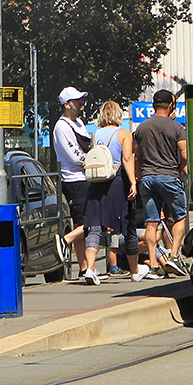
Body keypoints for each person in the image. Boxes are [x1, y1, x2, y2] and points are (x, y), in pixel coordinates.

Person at [81, 101, 145, 284]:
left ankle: (90, 268)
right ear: (118, 114)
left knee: (94, 226)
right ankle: (134, 270)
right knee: (128, 226)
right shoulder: (124, 134)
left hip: (97, 184)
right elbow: (127, 159)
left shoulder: (95, 135)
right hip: (117, 183)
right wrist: (133, 182)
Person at [133, 89, 189, 277]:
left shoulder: (142, 128)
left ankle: (154, 263)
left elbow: (137, 157)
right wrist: (180, 169)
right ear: (171, 105)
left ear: (153, 105)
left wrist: (139, 178)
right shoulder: (176, 128)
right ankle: (173, 255)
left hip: (147, 178)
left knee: (152, 222)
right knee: (180, 216)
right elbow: (184, 154)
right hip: (169, 176)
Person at [52, 86, 93, 277]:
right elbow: (74, 156)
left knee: (80, 223)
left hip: (85, 177)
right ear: (67, 105)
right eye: (77, 101)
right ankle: (65, 240)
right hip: (74, 179)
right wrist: (91, 161)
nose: (81, 104)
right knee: (91, 222)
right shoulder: (62, 127)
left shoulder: (79, 123)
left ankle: (84, 268)